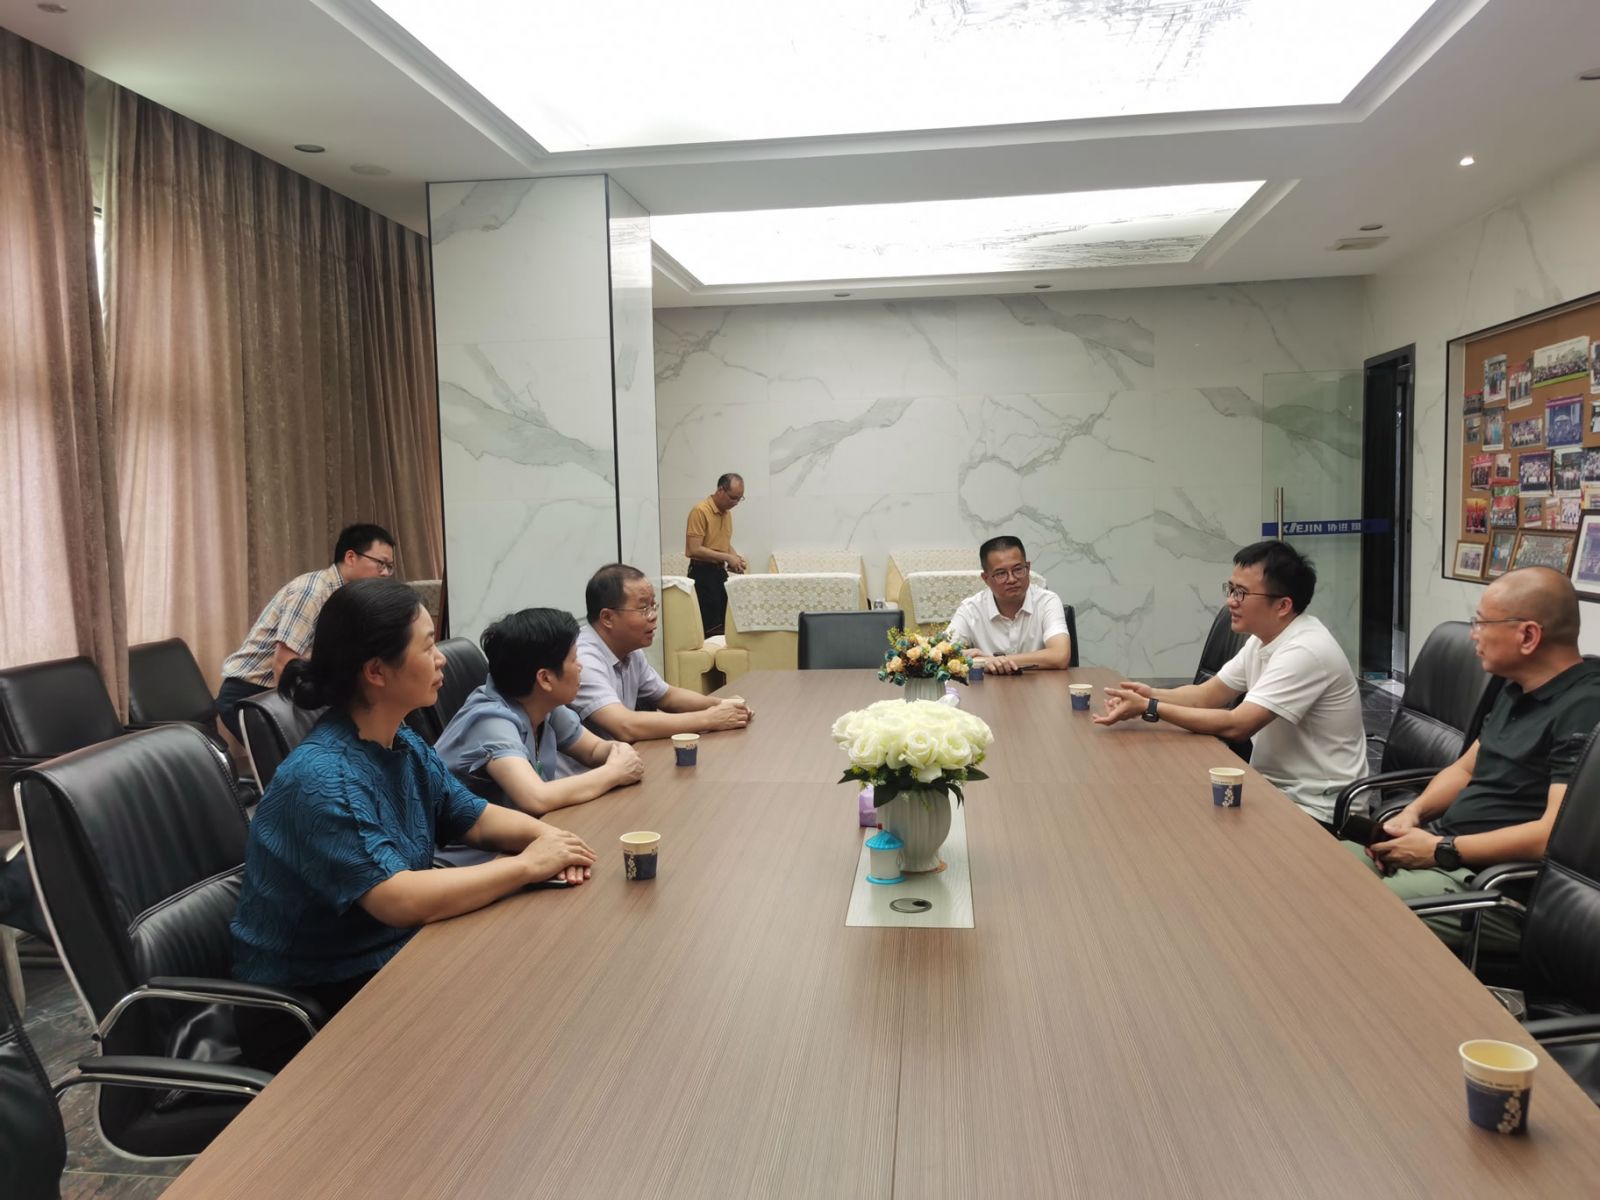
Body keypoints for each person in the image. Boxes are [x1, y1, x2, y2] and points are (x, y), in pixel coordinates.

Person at [230, 579, 596, 1071]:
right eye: (427, 646)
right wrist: (529, 865)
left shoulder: (400, 742)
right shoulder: (322, 778)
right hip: (315, 1006)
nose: (441, 658)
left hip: (395, 960)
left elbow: (474, 816)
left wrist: (547, 837)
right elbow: (398, 899)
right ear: (376, 671)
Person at [1355, 568, 1600, 948]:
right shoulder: (1519, 688)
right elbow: (1465, 768)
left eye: (1482, 623)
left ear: (1528, 636)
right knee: (1318, 867)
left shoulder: (1585, 708)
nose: (1474, 634)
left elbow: (1552, 834)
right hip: (1445, 853)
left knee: (1346, 912)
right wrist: (1413, 814)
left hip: (1492, 886)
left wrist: (1440, 851)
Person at [1093, 539, 1365, 826]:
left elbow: (1238, 725)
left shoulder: (1305, 650)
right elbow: (1205, 696)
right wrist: (1149, 694)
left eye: (1242, 593)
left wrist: (1150, 707)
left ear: (1283, 605)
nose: (1231, 601)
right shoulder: (1262, 641)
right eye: (1231, 589)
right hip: (1274, 790)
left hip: (1319, 808)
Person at [434, 607, 645, 813]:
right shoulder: (490, 721)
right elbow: (536, 798)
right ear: (545, 678)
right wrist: (613, 772)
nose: (580, 667)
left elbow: (592, 750)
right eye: (574, 659)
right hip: (463, 837)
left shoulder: (543, 704)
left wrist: (619, 752)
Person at [216, 523, 398, 740]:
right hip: (253, 694)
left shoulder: (348, 597)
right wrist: (293, 725)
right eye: (380, 564)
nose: (385, 573)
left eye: (389, 567)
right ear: (351, 557)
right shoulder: (312, 592)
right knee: (297, 756)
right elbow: (283, 663)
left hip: (291, 687)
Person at [575, 564, 751, 743]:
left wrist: (721, 705)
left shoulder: (630, 650)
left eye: (653, 606)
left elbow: (667, 696)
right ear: (607, 618)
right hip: (592, 761)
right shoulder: (582, 660)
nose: (653, 616)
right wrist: (710, 719)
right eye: (643, 608)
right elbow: (625, 726)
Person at [944, 536, 1072, 673]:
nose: (1011, 579)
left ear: (1028, 568)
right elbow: (942, 656)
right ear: (986, 579)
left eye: (1018, 570)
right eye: (1001, 574)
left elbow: (1060, 656)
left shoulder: (1047, 601)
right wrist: (981, 661)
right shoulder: (970, 609)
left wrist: (991, 661)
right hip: (988, 686)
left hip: (1041, 685)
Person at [685, 473, 747, 635]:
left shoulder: (726, 513)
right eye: (733, 498)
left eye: (739, 499)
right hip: (702, 574)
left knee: (726, 624)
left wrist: (735, 559)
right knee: (711, 627)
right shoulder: (700, 511)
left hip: (719, 573)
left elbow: (723, 542)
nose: (735, 503)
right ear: (720, 490)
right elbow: (693, 549)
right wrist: (727, 557)